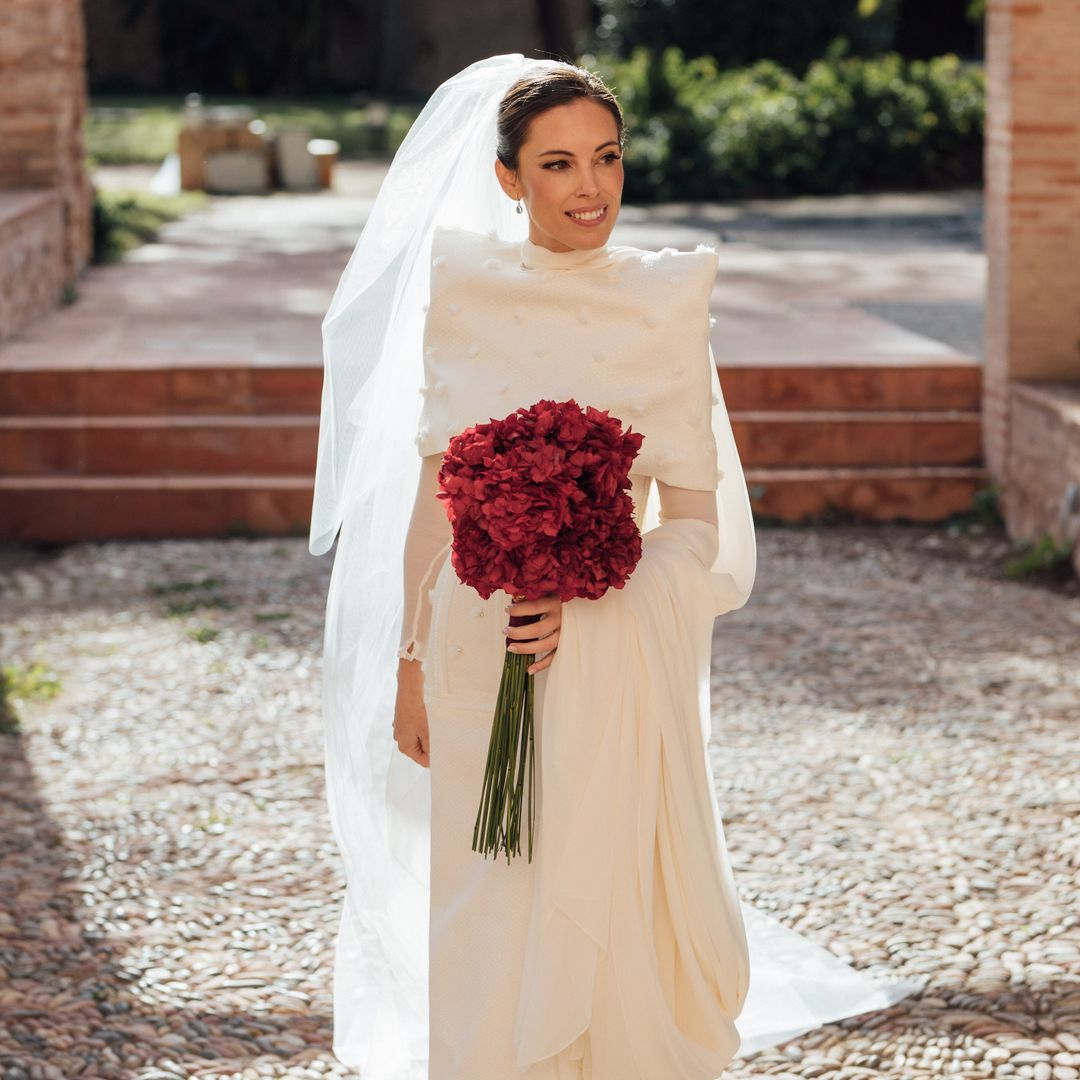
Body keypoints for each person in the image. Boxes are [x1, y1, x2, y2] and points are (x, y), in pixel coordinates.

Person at [311, 53, 926, 1080]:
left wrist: (599, 589)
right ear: (509, 179)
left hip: (610, 659)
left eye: (607, 157)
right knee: (484, 900)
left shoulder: (663, 301)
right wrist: (413, 662)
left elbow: (697, 524)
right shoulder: (461, 293)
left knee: (608, 910)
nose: (590, 186)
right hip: (475, 650)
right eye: (557, 164)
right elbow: (435, 498)